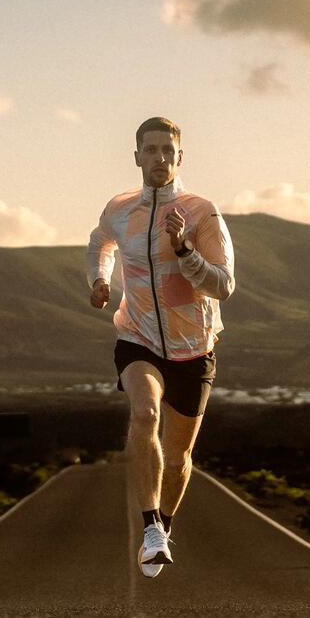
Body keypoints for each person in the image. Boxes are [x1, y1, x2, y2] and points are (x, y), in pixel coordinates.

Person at [86, 116, 236, 577]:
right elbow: (100, 241)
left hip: (193, 346)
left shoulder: (201, 212)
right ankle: (150, 524)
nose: (160, 158)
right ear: (137, 157)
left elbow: (224, 285)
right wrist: (98, 279)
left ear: (179, 157)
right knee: (145, 413)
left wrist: (184, 249)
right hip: (139, 337)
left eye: (167, 151)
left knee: (179, 456)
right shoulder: (120, 208)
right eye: (150, 150)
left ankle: (162, 528)